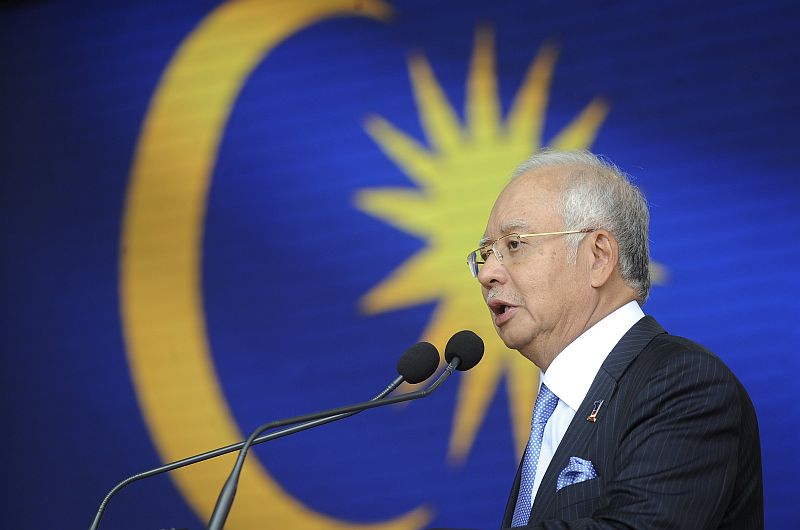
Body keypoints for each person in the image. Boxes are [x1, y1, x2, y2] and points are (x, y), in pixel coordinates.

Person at [466, 150, 762, 529]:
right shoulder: (554, 410)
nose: (487, 273)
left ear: (599, 256)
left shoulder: (684, 383)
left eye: (515, 244)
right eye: (486, 253)